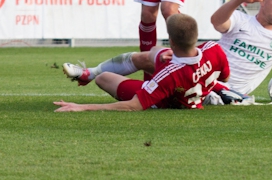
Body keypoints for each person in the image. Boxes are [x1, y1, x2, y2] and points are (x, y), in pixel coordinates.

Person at [57, 14, 231, 112]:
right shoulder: (214, 49)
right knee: (147, 56)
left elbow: (134, 106)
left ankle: (92, 74)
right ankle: (88, 73)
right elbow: (225, 77)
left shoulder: (169, 73)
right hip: (194, 89)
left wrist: (82, 107)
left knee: (103, 78)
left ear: (171, 41)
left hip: (167, 100)